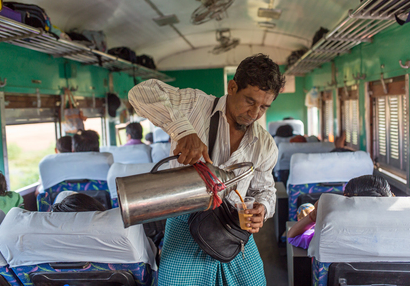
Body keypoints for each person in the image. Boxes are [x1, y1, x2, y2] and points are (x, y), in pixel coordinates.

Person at [128, 53, 285, 285]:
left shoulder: (265, 144)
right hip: (185, 224)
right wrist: (182, 130)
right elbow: (140, 93)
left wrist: (262, 207)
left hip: (233, 228)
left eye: (263, 107)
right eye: (250, 101)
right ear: (232, 87)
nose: (255, 114)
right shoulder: (194, 105)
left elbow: (266, 189)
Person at [287, 175, 393, 249]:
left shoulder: (332, 233)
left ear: (346, 199)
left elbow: (293, 236)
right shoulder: (403, 230)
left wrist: (315, 214)